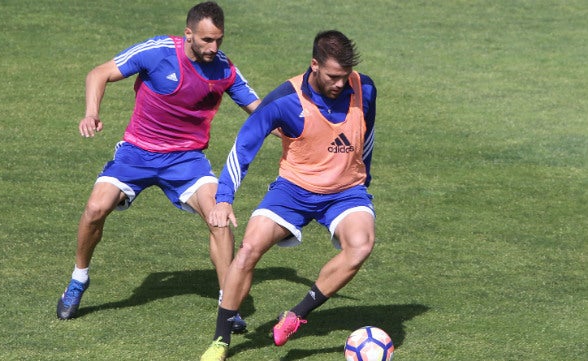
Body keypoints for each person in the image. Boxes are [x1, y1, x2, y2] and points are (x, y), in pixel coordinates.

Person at [56, 1, 261, 333]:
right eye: (207, 40)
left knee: (220, 220)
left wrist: (293, 125)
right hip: (136, 153)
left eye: (219, 40)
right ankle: (79, 279)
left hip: (186, 160)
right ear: (188, 33)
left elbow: (260, 110)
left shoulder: (224, 69)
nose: (214, 48)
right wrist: (91, 112)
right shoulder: (158, 51)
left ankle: (228, 303)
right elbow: (99, 73)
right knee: (95, 208)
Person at [200, 30, 377, 360]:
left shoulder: (363, 87)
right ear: (314, 65)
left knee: (361, 245)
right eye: (333, 76)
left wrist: (364, 176)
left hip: (345, 192)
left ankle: (296, 315)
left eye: (345, 76)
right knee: (249, 248)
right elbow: (244, 146)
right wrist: (224, 198)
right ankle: (221, 341)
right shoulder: (285, 100)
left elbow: (367, 132)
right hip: (293, 190)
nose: (341, 84)